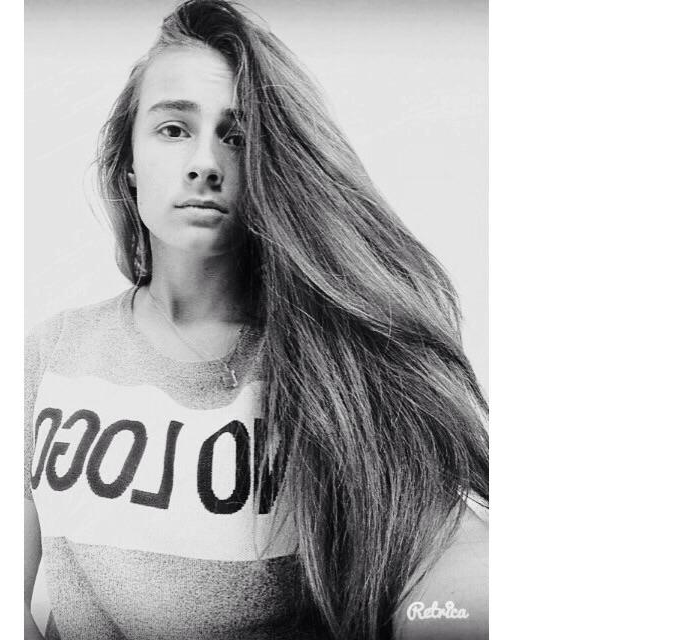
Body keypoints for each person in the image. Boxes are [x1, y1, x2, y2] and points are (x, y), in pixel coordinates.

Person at [24, 1, 489, 638]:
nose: (205, 163)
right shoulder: (50, 353)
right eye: (173, 129)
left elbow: (453, 561)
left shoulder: (336, 367)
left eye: (237, 137)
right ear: (128, 163)